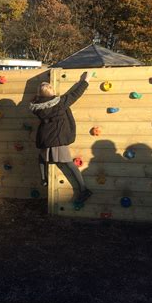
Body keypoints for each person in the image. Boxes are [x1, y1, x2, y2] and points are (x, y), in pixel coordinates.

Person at [29, 72, 93, 204]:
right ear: (52, 92)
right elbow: (75, 94)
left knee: (41, 158)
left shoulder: (36, 107)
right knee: (69, 164)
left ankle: (44, 179)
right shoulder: (60, 103)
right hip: (58, 137)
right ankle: (84, 189)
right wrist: (85, 80)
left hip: (45, 137)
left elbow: (39, 100)